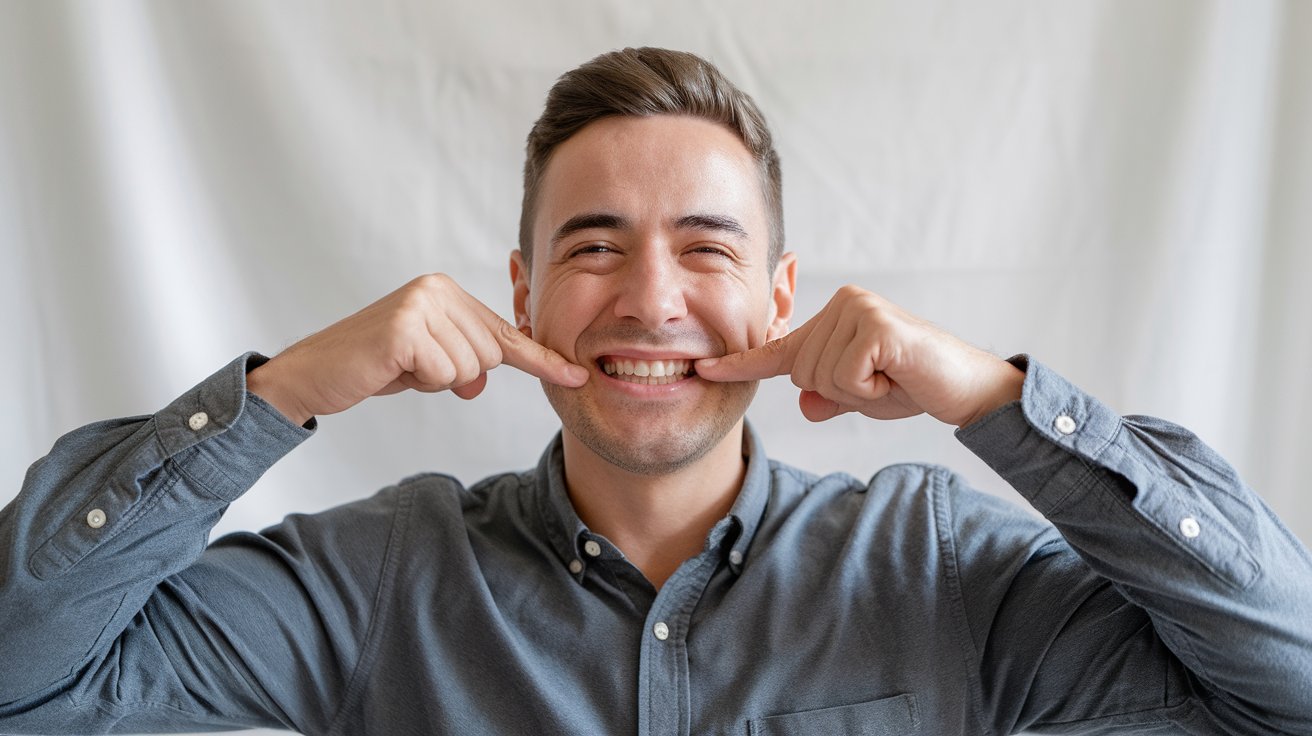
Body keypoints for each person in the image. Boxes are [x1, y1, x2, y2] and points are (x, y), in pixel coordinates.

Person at [1, 46, 1309, 736]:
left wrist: (997, 401)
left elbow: (1285, 684)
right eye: (593, 245)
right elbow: (25, 679)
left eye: (706, 245)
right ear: (521, 295)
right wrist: (281, 392)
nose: (652, 299)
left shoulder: (936, 568)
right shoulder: (385, 582)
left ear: (781, 296)